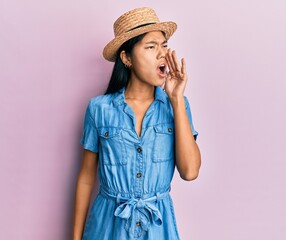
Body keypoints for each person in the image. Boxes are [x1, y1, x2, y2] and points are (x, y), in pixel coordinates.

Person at [72, 7, 201, 240]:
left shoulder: (178, 106)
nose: (162, 53)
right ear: (127, 58)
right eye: (151, 47)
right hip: (107, 226)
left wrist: (176, 100)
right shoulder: (99, 109)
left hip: (158, 228)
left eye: (163, 45)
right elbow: (86, 177)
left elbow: (190, 172)